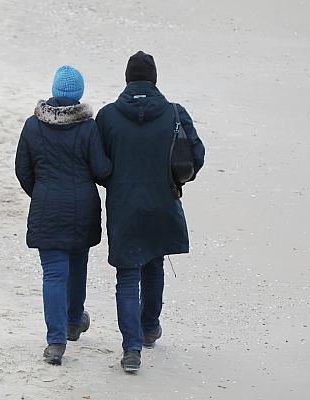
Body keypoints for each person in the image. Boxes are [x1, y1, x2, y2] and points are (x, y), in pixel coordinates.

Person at [95, 51, 205, 373]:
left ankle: (131, 351)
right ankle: (149, 328)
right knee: (154, 264)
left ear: (127, 79)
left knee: (127, 276)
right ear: (154, 79)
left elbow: (98, 163)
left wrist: (114, 182)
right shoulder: (174, 112)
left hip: (123, 205)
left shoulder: (108, 116)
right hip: (162, 203)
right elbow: (195, 156)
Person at [15, 65, 112, 366]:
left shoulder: (34, 125)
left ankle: (56, 341)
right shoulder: (89, 127)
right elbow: (102, 171)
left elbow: (22, 170)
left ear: (55, 91)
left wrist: (42, 192)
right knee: (77, 263)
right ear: (79, 95)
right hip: (82, 206)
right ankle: (73, 321)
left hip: (47, 204)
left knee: (54, 273)